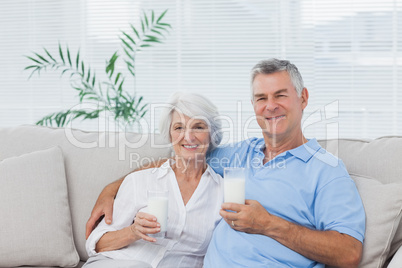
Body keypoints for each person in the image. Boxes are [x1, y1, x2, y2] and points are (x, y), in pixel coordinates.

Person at [86, 59, 366, 267]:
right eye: (261, 98)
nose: (270, 106)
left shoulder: (326, 170)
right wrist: (112, 188)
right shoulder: (239, 154)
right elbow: (181, 157)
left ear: (303, 98)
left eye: (280, 95)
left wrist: (268, 224)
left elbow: (349, 253)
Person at [83, 92, 224, 268]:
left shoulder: (222, 193)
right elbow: (97, 244)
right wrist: (133, 231)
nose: (188, 137)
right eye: (179, 128)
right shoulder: (140, 181)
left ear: (212, 134)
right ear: (170, 134)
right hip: (116, 262)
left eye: (198, 127)